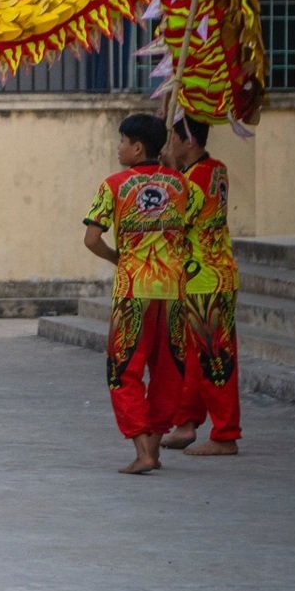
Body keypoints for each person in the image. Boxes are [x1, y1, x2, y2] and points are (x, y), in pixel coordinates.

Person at [83, 112, 201, 474]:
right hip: (174, 291)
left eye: (122, 141)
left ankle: (142, 449)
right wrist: (170, 170)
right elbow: (193, 224)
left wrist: (119, 258)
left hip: (134, 288)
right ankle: (153, 445)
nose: (118, 147)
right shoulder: (183, 186)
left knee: (124, 369)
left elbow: (91, 239)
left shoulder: (114, 185)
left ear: (137, 147)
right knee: (169, 370)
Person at [161, 117, 243, 456]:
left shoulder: (193, 180)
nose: (170, 147)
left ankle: (226, 434)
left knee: (214, 357)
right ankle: (187, 421)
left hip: (206, 278)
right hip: (210, 273)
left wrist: (165, 173)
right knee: (193, 356)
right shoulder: (216, 169)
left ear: (189, 142)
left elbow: (171, 218)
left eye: (174, 140)